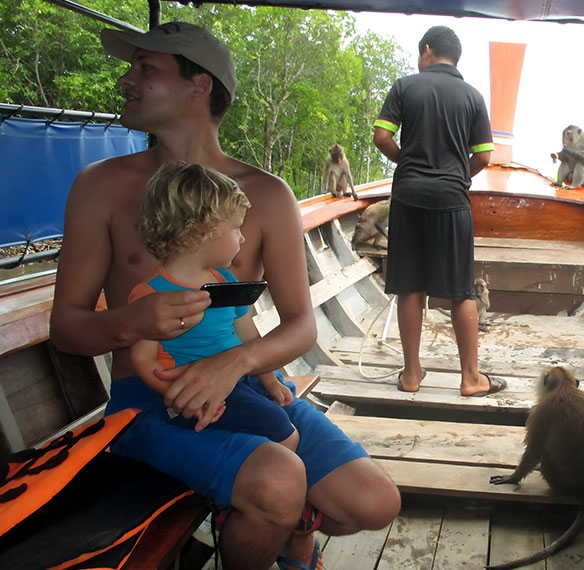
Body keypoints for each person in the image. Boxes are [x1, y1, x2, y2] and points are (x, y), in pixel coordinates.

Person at [49, 22, 400, 570]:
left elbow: (301, 326)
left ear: (200, 86)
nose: (125, 80)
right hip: (153, 400)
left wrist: (235, 365)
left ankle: (280, 525)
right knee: (278, 482)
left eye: (145, 68)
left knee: (375, 503)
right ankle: (273, 525)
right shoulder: (101, 186)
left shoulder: (266, 195)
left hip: (250, 386)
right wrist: (131, 322)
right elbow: (67, 329)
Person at [372, 26, 504, 396]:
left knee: (410, 286)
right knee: (462, 290)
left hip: (409, 196)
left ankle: (411, 375)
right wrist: (458, 175)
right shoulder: (473, 96)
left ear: (427, 51)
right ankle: (471, 378)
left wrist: (408, 163)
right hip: (452, 200)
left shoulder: (405, 86)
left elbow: (381, 137)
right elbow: (484, 156)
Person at [129, 161, 297, 450]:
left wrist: (270, 382)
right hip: (198, 392)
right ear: (200, 231)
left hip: (239, 381)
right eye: (235, 228)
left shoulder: (225, 280)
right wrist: (181, 397)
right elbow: (144, 360)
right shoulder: (150, 294)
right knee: (286, 433)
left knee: (280, 416)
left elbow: (249, 337)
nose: (243, 238)